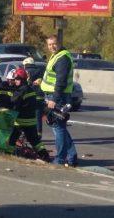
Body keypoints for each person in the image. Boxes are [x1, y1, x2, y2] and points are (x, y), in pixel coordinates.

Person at [41, 34, 77, 167]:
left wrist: (54, 99)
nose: (52, 47)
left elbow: (61, 81)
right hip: (54, 95)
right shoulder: (57, 55)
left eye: (54, 44)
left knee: (58, 127)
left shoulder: (62, 58)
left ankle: (60, 159)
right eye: (49, 44)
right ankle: (72, 157)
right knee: (59, 127)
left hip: (58, 97)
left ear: (60, 43)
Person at [8, 68, 50, 162]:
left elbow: (12, 102)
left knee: (12, 139)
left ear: (21, 79)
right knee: (35, 141)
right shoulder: (30, 89)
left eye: (17, 79)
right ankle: (45, 156)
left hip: (21, 121)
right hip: (31, 120)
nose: (15, 81)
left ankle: (8, 155)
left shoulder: (21, 91)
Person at [23, 57, 45, 137]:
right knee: (38, 117)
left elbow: (26, 84)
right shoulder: (41, 71)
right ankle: (39, 134)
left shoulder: (27, 72)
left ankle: (27, 135)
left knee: (28, 116)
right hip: (41, 97)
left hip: (31, 97)